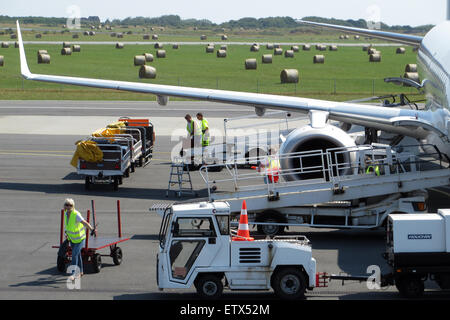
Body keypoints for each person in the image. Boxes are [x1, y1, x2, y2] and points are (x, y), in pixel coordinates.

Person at [59, 198, 94, 281]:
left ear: (73, 206)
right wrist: (66, 234)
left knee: (74, 255)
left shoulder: (76, 214)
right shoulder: (65, 213)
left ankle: (73, 274)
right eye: (66, 205)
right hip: (72, 239)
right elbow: (68, 225)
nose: (68, 207)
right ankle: (81, 272)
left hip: (80, 239)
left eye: (70, 205)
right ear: (64, 206)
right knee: (77, 255)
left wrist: (92, 229)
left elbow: (85, 222)